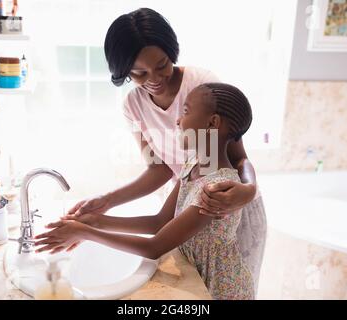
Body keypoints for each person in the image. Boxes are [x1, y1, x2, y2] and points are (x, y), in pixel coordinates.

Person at [66, 8, 267, 292]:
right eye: (139, 72)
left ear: (171, 51)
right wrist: (107, 202)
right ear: (124, 70)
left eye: (162, 65)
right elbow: (159, 168)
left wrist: (248, 188)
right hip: (189, 201)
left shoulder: (201, 90)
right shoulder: (133, 105)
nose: (154, 78)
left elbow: (234, 156)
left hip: (227, 205)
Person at [35, 82, 255, 300]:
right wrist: (95, 221)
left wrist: (84, 232)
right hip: (197, 276)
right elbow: (160, 222)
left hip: (220, 290)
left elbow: (155, 247)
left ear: (212, 123)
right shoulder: (194, 164)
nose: (178, 120)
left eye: (186, 111)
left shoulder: (217, 190)